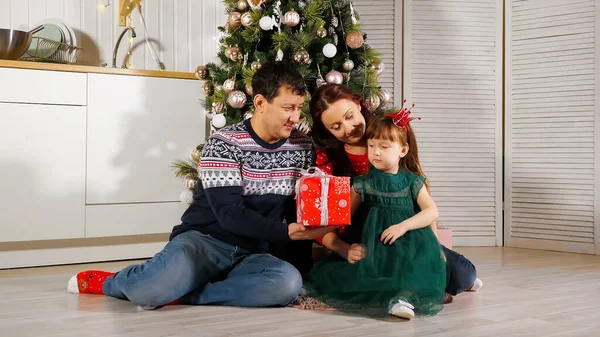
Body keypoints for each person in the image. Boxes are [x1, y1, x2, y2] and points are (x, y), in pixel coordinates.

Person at [66, 61, 333, 309]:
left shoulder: (302, 146)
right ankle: (110, 281)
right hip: (203, 242)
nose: (296, 117)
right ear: (261, 103)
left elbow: (293, 207)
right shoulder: (224, 143)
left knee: (286, 284)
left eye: (299, 108)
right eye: (288, 108)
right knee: (147, 291)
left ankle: (184, 294)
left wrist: (302, 255)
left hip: (252, 252)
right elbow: (230, 215)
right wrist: (287, 232)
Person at [310, 84, 482, 302]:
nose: (348, 128)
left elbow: (425, 205)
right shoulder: (327, 162)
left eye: (349, 116)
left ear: (358, 103)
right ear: (328, 131)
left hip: (408, 237)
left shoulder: (392, 135)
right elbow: (320, 222)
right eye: (336, 127)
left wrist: (434, 248)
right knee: (374, 282)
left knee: (463, 274)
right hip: (366, 243)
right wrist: (344, 249)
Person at [305, 110, 446, 319]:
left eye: (384, 147)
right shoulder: (364, 183)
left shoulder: (412, 182)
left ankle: (401, 298)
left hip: (412, 241)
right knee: (366, 272)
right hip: (379, 244)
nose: (376, 152)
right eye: (371, 146)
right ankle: (397, 298)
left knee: (416, 265)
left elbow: (431, 211)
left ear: (403, 150)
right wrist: (314, 232)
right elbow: (343, 216)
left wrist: (403, 226)